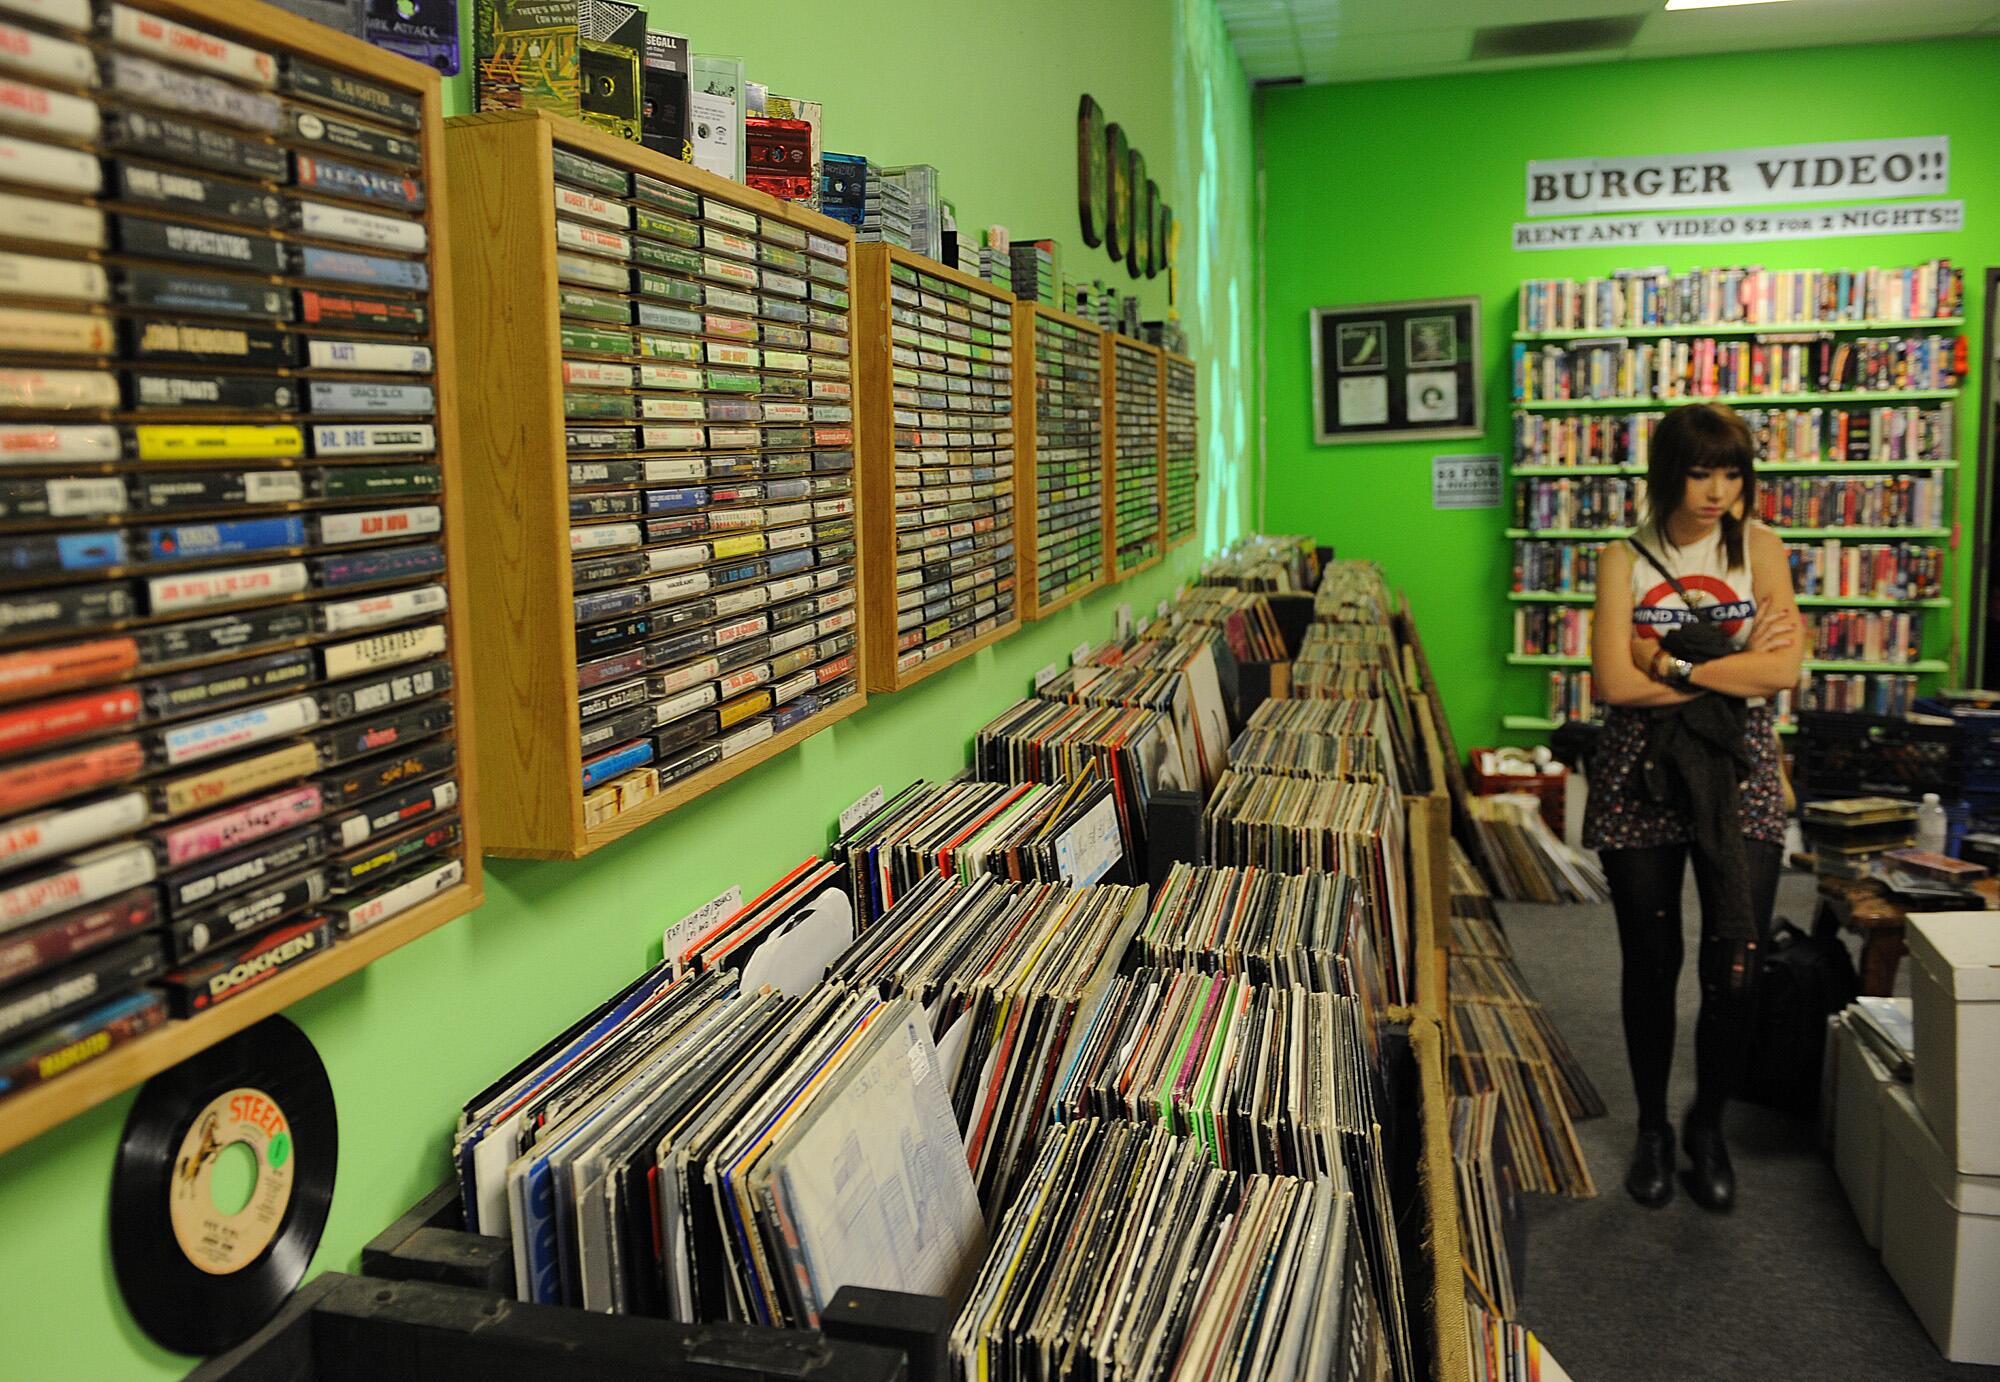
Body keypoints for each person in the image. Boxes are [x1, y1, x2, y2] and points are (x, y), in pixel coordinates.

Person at [1582, 402, 1805, 1212]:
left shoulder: (1763, 552)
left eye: (1733, 472)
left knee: (1734, 962)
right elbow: (1612, 684)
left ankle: (1706, 1123)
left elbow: (1781, 676)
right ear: (1668, 471)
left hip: (1738, 768)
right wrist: (1732, 659)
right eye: (1701, 470)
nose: (1717, 490)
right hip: (1637, 769)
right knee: (1651, 960)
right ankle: (1651, 1127)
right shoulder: (1623, 560)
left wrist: (1671, 665)